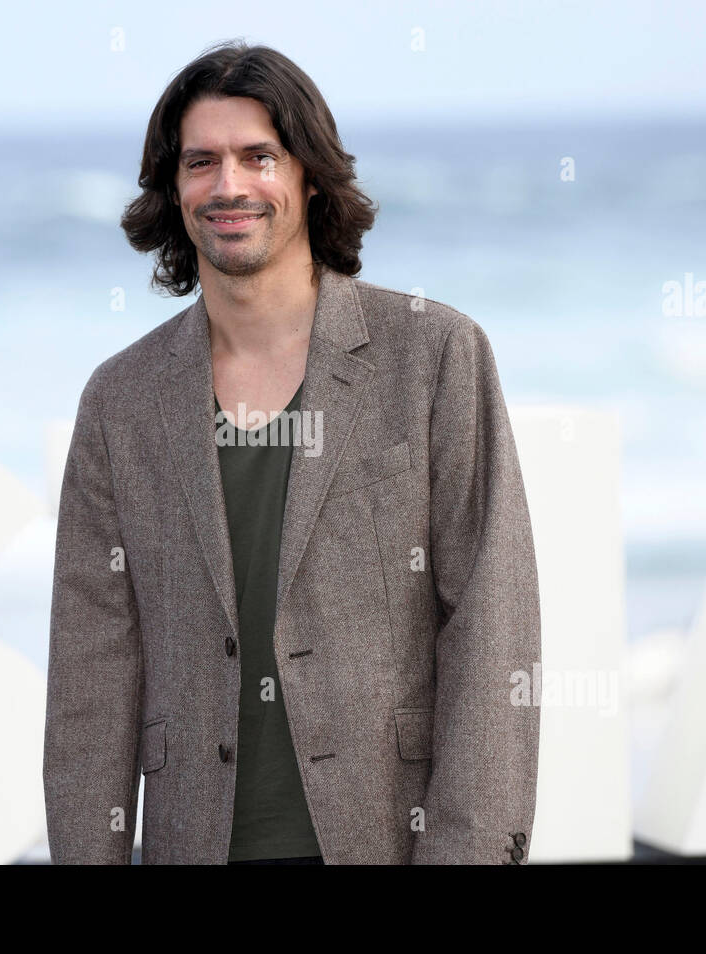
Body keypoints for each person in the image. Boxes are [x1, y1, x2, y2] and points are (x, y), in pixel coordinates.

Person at [44, 39, 541, 865]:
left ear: (308, 175)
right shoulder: (119, 401)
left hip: (389, 836)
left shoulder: (434, 355)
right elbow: (90, 677)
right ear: (174, 188)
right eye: (201, 162)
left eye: (258, 157)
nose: (229, 185)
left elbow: (494, 625)